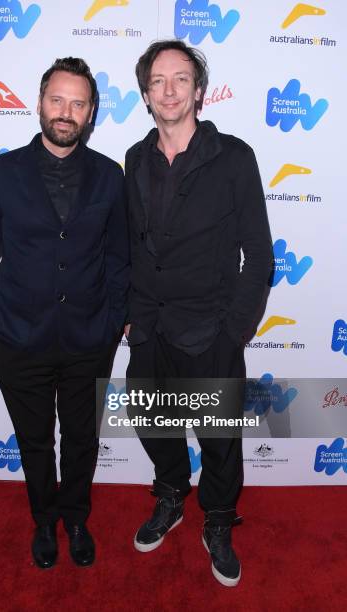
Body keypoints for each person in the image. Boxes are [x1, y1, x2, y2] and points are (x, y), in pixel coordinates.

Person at [0, 57, 129, 569]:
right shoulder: (0, 173)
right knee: (35, 442)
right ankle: (44, 520)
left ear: (91, 112)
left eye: (78, 103)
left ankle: (76, 518)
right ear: (39, 104)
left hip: (89, 341)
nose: (66, 112)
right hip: (18, 339)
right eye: (57, 100)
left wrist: (111, 325)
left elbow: (119, 258)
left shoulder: (110, 176)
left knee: (82, 439)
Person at [124, 40, 272, 587]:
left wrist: (234, 329)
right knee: (150, 419)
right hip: (149, 326)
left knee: (219, 438)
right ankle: (171, 493)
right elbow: (134, 245)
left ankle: (216, 517)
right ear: (145, 94)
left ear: (198, 91)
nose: (169, 89)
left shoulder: (233, 157)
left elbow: (258, 252)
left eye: (180, 79)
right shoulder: (135, 158)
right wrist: (131, 315)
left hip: (211, 329)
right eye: (158, 80)